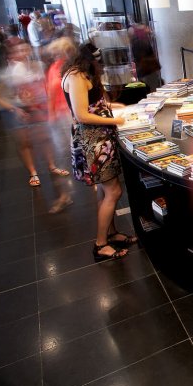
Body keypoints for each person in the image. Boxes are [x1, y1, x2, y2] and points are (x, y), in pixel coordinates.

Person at [62, 42, 137, 261]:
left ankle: (112, 233)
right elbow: (82, 115)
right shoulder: (76, 77)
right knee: (113, 191)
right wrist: (116, 120)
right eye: (97, 61)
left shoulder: (84, 74)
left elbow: (97, 104)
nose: (99, 65)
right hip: (93, 140)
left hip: (102, 137)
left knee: (105, 191)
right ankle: (100, 244)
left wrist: (117, 109)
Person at [0, 39, 71, 200]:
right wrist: (14, 108)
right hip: (18, 111)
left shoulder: (37, 65)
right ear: (11, 54)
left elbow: (45, 86)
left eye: (24, 49)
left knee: (45, 138)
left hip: (38, 108)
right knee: (25, 143)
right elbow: (0, 97)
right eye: (17, 50)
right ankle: (33, 172)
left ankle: (51, 165)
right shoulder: (6, 72)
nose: (22, 53)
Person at [129, 24, 162, 92]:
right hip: (148, 70)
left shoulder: (138, 43)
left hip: (146, 71)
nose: (149, 31)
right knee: (153, 89)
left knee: (151, 89)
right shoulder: (141, 42)